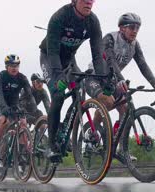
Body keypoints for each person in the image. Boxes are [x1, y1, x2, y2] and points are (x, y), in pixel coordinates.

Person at [39, 0, 111, 158]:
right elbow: (52, 52)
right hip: (50, 58)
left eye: (92, 0)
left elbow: (98, 55)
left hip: (69, 60)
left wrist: (104, 80)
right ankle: (51, 145)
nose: (89, 2)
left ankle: (64, 131)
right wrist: (58, 76)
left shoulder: (93, 21)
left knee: (79, 91)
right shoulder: (60, 17)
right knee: (58, 94)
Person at [86, 12, 155, 126]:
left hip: (112, 80)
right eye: (132, 27)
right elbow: (111, 61)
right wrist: (121, 79)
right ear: (122, 28)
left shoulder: (134, 44)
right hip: (95, 78)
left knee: (125, 108)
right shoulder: (110, 39)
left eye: (137, 28)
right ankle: (92, 131)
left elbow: (143, 65)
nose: (135, 31)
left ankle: (117, 140)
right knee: (108, 102)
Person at [0, 54, 38, 164]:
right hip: (0, 102)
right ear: (6, 67)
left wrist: (34, 107)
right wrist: (4, 108)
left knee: (23, 123)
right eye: (12, 65)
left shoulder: (22, 78)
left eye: (17, 66)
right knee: (4, 121)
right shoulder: (1, 76)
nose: (14, 68)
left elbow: (29, 93)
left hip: (14, 103)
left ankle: (21, 151)